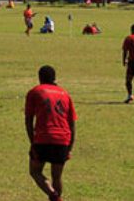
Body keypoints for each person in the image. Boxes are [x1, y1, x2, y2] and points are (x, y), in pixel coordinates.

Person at [25, 64, 77, 201]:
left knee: (35, 171)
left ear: (40, 78)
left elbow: (29, 120)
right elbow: (72, 123)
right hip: (63, 139)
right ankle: (56, 196)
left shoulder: (35, 92)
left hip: (43, 138)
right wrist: (69, 147)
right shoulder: (65, 94)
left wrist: (32, 142)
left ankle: (54, 196)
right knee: (57, 176)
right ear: (54, 78)